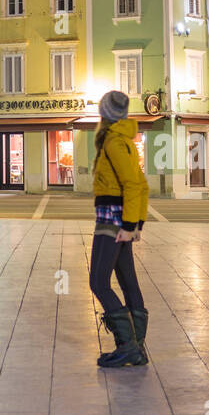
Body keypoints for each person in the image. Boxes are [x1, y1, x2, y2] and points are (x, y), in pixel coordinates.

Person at [89, 90, 149, 368]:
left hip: (112, 220)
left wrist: (129, 225)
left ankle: (128, 346)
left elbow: (133, 184)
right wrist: (136, 223)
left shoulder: (114, 142)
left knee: (98, 281)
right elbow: (141, 184)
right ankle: (136, 346)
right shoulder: (124, 141)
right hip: (120, 219)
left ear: (105, 114)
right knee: (127, 281)